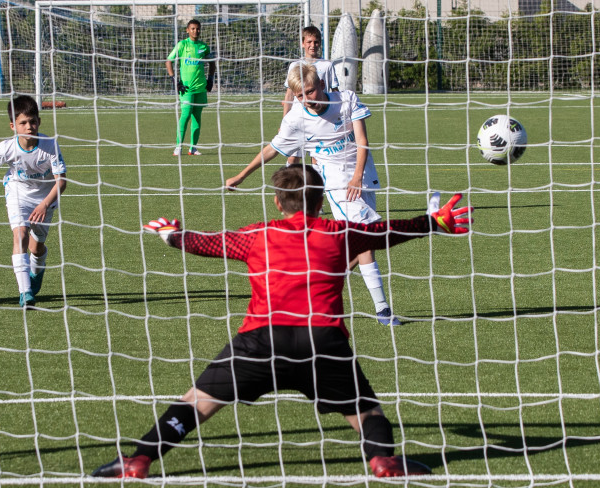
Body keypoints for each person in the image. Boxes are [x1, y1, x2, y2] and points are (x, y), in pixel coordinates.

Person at [91, 164, 472, 479]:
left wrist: (172, 235)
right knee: (367, 412)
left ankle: (138, 460)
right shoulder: (340, 233)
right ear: (321, 201)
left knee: (195, 403)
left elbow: (204, 243)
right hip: (322, 342)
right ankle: (382, 460)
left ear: (277, 201)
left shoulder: (256, 235)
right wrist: (433, 222)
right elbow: (388, 231)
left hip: (260, 342)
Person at [226, 62, 400, 326]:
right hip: (337, 182)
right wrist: (241, 175)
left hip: (364, 175)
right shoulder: (296, 118)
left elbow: (362, 142)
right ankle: (383, 310)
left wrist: (357, 177)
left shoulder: (347, 100)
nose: (307, 100)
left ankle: (309, 290)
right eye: (299, 96)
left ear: (322, 85)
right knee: (365, 237)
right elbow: (272, 148)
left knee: (362, 242)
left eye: (310, 92)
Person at [0, 95, 67, 307]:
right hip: (17, 194)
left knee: (36, 248)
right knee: (20, 235)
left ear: (39, 121)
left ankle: (36, 271)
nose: (29, 126)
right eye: (23, 122)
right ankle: (25, 292)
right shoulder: (7, 147)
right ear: (13, 126)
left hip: (44, 199)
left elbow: (61, 183)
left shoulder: (50, 145)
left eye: (32, 121)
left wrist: (44, 204)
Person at [282, 25, 339, 165]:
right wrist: (284, 121)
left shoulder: (327, 65)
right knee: (293, 158)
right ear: (303, 43)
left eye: (316, 42)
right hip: (298, 118)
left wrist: (338, 115)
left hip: (320, 118)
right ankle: (293, 186)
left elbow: (335, 92)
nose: (312, 45)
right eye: (309, 42)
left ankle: (316, 186)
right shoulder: (295, 65)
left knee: (318, 158)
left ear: (320, 43)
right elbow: (289, 95)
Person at [166, 19, 214, 157]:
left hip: (200, 87)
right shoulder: (182, 45)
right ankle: (178, 147)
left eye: (198, 29)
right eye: (192, 29)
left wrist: (210, 78)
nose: (195, 31)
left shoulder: (204, 47)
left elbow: (212, 63)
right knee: (185, 115)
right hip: (186, 89)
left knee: (197, 117)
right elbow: (169, 61)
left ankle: (193, 148)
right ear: (187, 30)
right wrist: (175, 80)